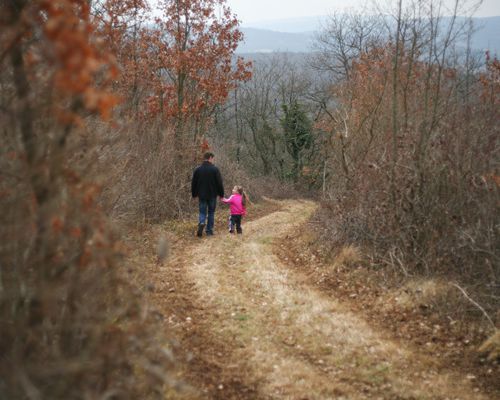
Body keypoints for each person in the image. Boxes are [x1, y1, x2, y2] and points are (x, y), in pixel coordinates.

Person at [191, 152, 224, 237]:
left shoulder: (197, 169)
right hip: (212, 195)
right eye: (212, 158)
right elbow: (219, 183)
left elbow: (194, 183)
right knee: (211, 212)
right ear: (210, 158)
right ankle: (209, 231)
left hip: (201, 195)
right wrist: (221, 194)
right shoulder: (215, 169)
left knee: (202, 212)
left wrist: (194, 194)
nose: (213, 160)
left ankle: (202, 222)